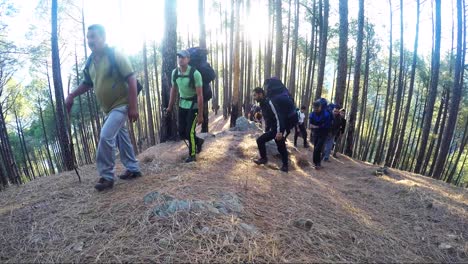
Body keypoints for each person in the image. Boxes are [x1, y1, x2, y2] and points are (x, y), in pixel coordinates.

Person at [65, 24, 141, 191]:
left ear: (103, 37)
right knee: (122, 137)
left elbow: (131, 78)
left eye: (94, 36)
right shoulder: (90, 62)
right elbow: (87, 83)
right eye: (88, 38)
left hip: (121, 104)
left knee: (106, 135)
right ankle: (133, 169)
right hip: (108, 109)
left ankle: (107, 176)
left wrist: (133, 106)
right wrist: (72, 95)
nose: (90, 41)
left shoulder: (115, 55)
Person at [167, 49, 205, 163]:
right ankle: (198, 142)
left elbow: (200, 96)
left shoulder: (195, 73)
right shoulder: (175, 73)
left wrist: (200, 115)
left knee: (190, 131)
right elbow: (173, 90)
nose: (180, 59)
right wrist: (169, 107)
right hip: (182, 104)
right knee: (182, 132)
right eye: (179, 57)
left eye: (183, 57)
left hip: (193, 106)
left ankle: (192, 155)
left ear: (188, 59)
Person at [252, 87, 289, 172]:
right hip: (274, 129)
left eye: (255, 95)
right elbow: (269, 117)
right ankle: (265, 159)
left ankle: (285, 166)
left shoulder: (269, 102)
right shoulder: (263, 103)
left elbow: (278, 116)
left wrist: (280, 132)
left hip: (278, 128)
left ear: (260, 94)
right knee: (262, 141)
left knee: (280, 146)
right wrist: (260, 117)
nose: (254, 97)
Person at [309, 100, 332, 169]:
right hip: (316, 133)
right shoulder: (312, 114)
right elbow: (310, 125)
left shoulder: (326, 114)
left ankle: (317, 163)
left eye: (317, 108)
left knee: (318, 148)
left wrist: (316, 126)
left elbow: (326, 125)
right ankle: (316, 163)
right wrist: (316, 127)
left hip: (323, 134)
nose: (316, 109)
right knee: (316, 147)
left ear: (320, 107)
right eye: (314, 108)